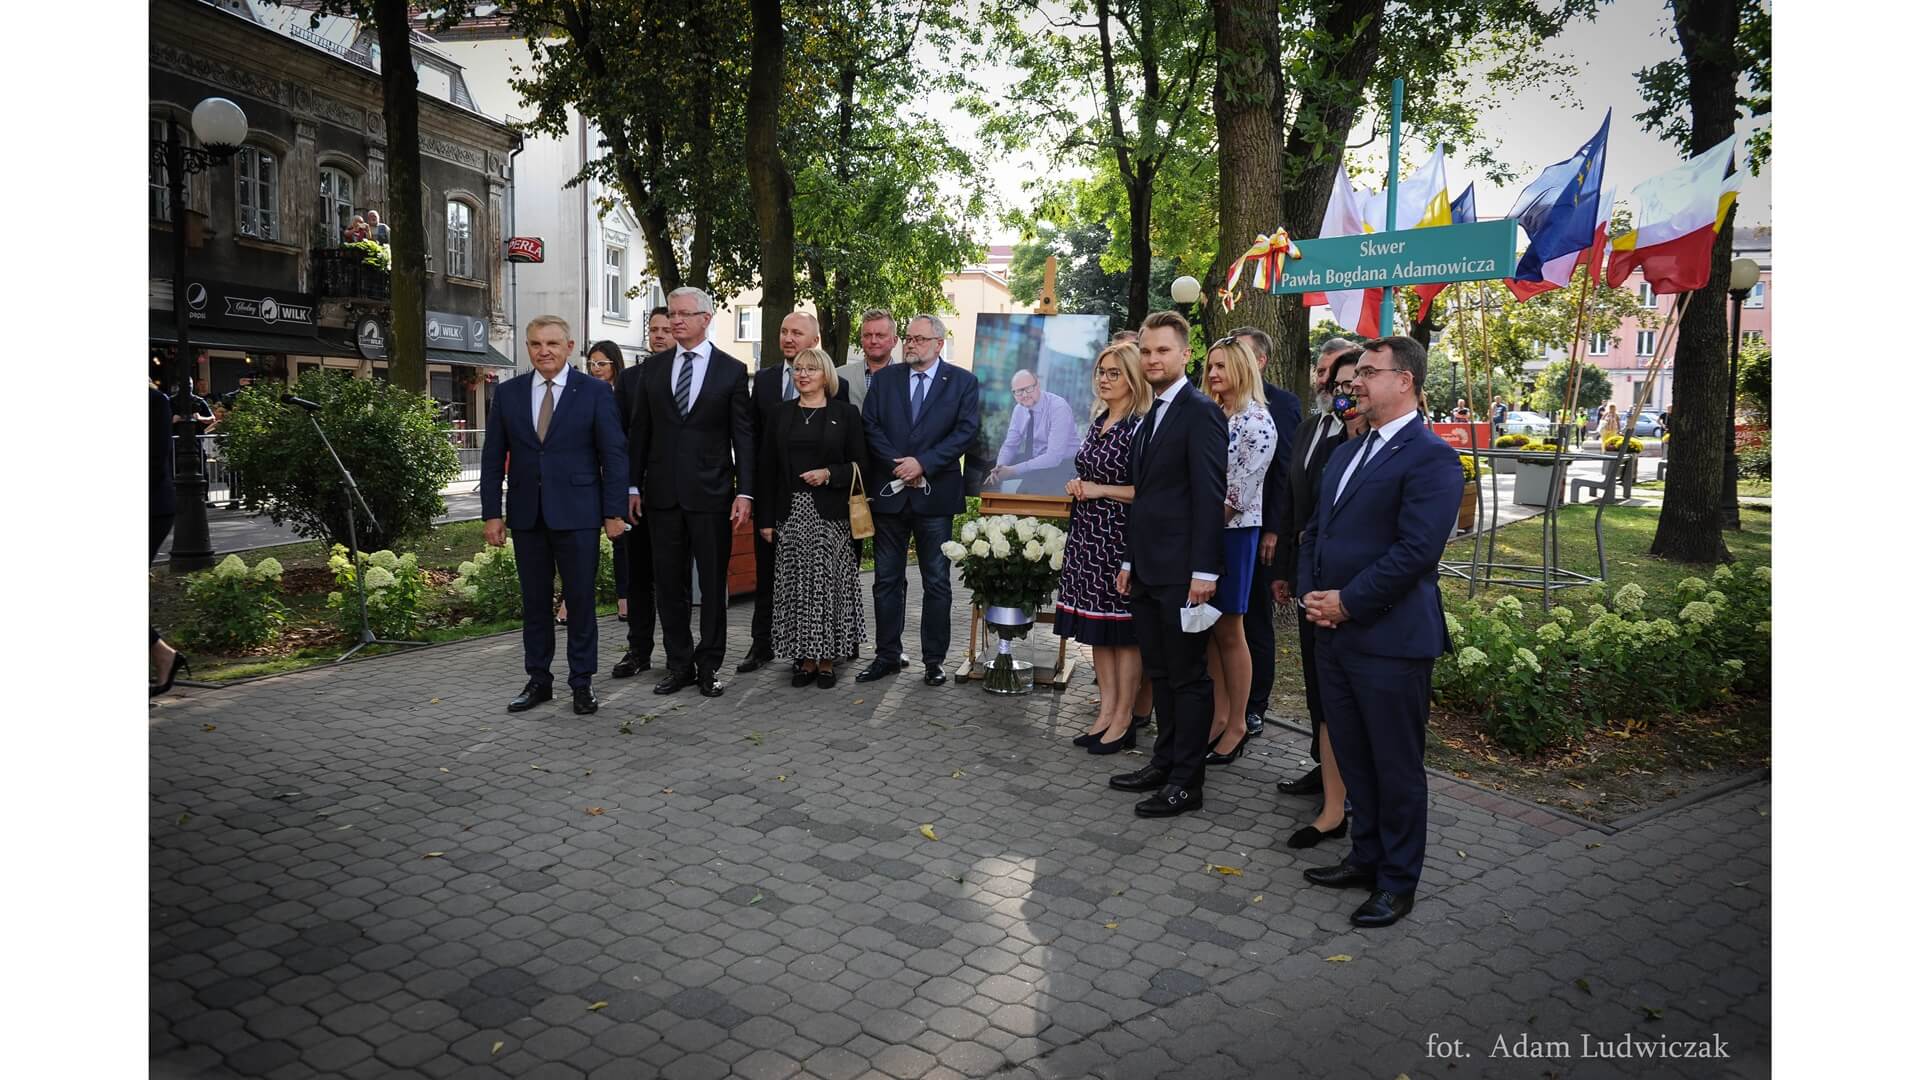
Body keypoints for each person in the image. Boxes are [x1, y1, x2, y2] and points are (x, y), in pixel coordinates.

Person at [1298, 335, 1464, 928]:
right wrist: (1310, 594)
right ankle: (1364, 856)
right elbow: (1314, 531)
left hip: (1390, 640)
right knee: (1353, 754)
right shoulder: (1346, 452)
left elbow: (1417, 551)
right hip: (1333, 634)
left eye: (1368, 373)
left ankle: (1397, 881)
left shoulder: (1433, 458)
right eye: (1354, 375)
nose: (1355, 384)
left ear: (1406, 381)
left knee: (1394, 766)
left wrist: (1348, 602)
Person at [1108, 310, 1228, 819]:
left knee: (1188, 677)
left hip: (1183, 573)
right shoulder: (1150, 414)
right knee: (1160, 671)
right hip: (1148, 570)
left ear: (1185, 355)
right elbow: (1148, 497)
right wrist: (1131, 559)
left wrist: (1205, 572)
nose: (1153, 359)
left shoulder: (1200, 412)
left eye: (1163, 351)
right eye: (1147, 351)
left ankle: (1186, 781)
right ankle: (1163, 762)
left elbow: (1209, 495)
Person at [479, 315, 629, 716]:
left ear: (569, 346)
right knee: (535, 603)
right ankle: (538, 681)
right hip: (528, 516)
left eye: (552, 344)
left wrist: (614, 512)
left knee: (580, 602)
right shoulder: (508, 394)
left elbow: (613, 456)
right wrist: (492, 513)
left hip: (579, 514)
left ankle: (581, 683)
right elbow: (493, 458)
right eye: (535, 344)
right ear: (527, 348)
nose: (543, 351)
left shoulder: (594, 392)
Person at [625, 287, 755, 698]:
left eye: (684, 314)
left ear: (706, 317)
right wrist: (632, 484)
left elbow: (743, 436)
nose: (676, 320)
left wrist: (745, 492)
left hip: (712, 495)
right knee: (669, 585)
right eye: (672, 314)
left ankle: (709, 664)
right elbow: (640, 432)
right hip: (662, 496)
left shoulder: (731, 370)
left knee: (714, 585)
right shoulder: (653, 369)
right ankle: (678, 663)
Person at [1272, 345, 1363, 848]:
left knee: (1344, 699)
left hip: (1350, 593)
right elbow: (1294, 507)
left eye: (1347, 381)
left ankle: (1347, 794)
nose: (1336, 388)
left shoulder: (1360, 442)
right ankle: (1325, 772)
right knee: (1317, 689)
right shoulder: (1312, 429)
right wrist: (1289, 571)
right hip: (1310, 579)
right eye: (1330, 379)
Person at [858, 314, 980, 686]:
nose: (910, 345)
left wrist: (923, 464)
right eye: (908, 339)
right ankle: (887, 656)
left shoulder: (962, 382)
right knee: (886, 580)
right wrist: (900, 466)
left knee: (938, 582)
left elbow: (965, 432)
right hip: (890, 496)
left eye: (919, 340)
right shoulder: (885, 380)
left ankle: (933, 660)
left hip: (935, 498)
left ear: (939, 344)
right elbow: (870, 426)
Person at [741, 311, 849, 675]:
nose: (787, 338)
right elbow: (758, 447)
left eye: (797, 332)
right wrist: (758, 503)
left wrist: (831, 474)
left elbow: (850, 453)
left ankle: (828, 651)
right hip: (782, 504)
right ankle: (765, 645)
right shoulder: (768, 382)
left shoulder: (840, 401)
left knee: (824, 582)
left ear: (814, 341)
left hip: (828, 509)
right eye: (783, 331)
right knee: (777, 580)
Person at [1057, 341, 1152, 753]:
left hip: (1120, 538)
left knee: (1123, 632)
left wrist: (1099, 489)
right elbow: (1090, 474)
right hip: (1088, 534)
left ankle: (1124, 718)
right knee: (1098, 629)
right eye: (1101, 371)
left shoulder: (1141, 426)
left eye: (1114, 372)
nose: (1105, 379)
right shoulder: (1099, 421)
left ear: (1132, 377)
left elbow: (1147, 490)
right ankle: (1105, 711)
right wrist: (1080, 486)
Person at [758, 347, 868, 688]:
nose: (803, 374)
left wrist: (829, 475)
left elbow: (862, 464)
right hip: (790, 514)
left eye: (811, 369)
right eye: (798, 369)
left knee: (826, 588)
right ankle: (803, 659)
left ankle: (826, 660)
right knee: (796, 588)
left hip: (831, 517)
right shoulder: (779, 414)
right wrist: (765, 519)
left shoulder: (845, 414)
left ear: (826, 376)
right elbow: (766, 469)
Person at [1196, 337, 1278, 769]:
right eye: (1210, 366)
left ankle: (1238, 724)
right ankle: (1218, 717)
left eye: (1221, 367)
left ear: (1244, 369)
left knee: (1230, 628)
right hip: (1204, 531)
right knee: (1210, 628)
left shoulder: (1257, 422)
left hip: (1233, 533)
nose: (1212, 374)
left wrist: (1199, 532)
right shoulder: (1214, 413)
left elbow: (1238, 493)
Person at [1229, 326, 1301, 742]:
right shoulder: (1221, 403)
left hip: (1257, 529)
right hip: (1224, 530)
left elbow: (1284, 471)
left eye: (1240, 354)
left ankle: (1255, 706)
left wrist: (1274, 528)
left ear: (1260, 361)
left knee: (1254, 621)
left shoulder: (1281, 404)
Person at [611, 307, 675, 678]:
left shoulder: (687, 375)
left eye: (666, 329)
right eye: (654, 329)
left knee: (671, 579)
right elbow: (619, 438)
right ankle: (638, 650)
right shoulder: (631, 379)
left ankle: (676, 655)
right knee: (637, 577)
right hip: (636, 495)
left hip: (675, 494)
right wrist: (626, 487)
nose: (660, 335)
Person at [558, 341, 630, 628]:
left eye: (602, 364)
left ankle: (624, 597)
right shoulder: (580, 394)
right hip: (586, 479)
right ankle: (569, 600)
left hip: (615, 477)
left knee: (621, 541)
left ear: (615, 365)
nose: (596, 369)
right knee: (579, 545)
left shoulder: (624, 395)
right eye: (592, 364)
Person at [150, 384, 190, 696]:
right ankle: (163, 654)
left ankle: (163, 655)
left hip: (151, 506)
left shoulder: (154, 401)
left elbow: (154, 459)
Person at [986, 370, 1078, 495]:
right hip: (1035, 457)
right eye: (1018, 391)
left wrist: (1013, 470)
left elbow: (1054, 457)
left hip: (1062, 464)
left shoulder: (1058, 407)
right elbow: (1010, 445)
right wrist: (1000, 467)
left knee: (1024, 493)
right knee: (987, 471)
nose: (1024, 395)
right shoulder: (1019, 409)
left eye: (1028, 389)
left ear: (1037, 386)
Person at [836, 309, 898, 409]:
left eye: (880, 335)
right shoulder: (839, 376)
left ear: (894, 341)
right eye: (867, 335)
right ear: (861, 339)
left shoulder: (908, 379)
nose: (873, 341)